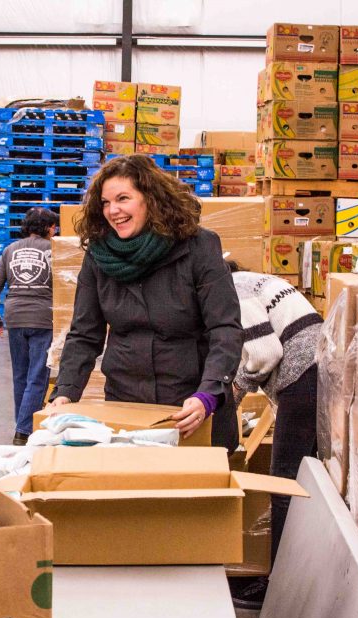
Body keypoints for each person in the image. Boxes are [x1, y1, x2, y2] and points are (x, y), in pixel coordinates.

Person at [48, 155, 242, 449]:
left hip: (190, 407)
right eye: (105, 202)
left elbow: (225, 328)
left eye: (123, 198)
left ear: (151, 199)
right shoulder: (99, 256)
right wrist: (65, 391)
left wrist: (208, 393)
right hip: (127, 405)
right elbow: (84, 334)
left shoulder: (198, 246)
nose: (113, 210)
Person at [228, 266, 322, 608]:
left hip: (302, 374)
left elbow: (265, 354)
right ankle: (294, 577)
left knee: (285, 480)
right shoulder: (256, 281)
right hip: (313, 369)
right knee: (306, 478)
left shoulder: (234, 290)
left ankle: (277, 586)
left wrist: (236, 391)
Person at [0, 207, 58, 445]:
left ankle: (21, 423)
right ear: (49, 228)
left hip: (15, 317)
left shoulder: (9, 250)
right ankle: (24, 430)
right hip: (43, 318)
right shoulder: (53, 250)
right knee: (38, 376)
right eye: (53, 227)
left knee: (21, 375)